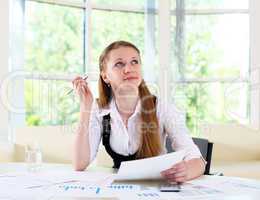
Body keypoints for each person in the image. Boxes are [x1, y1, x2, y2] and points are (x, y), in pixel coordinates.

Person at [72, 40, 205, 183]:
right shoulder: (100, 110)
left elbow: (198, 162)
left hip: (157, 189)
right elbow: (80, 163)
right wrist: (85, 107)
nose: (129, 69)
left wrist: (187, 170)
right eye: (119, 64)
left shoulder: (161, 107)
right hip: (122, 190)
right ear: (105, 76)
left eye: (134, 62)